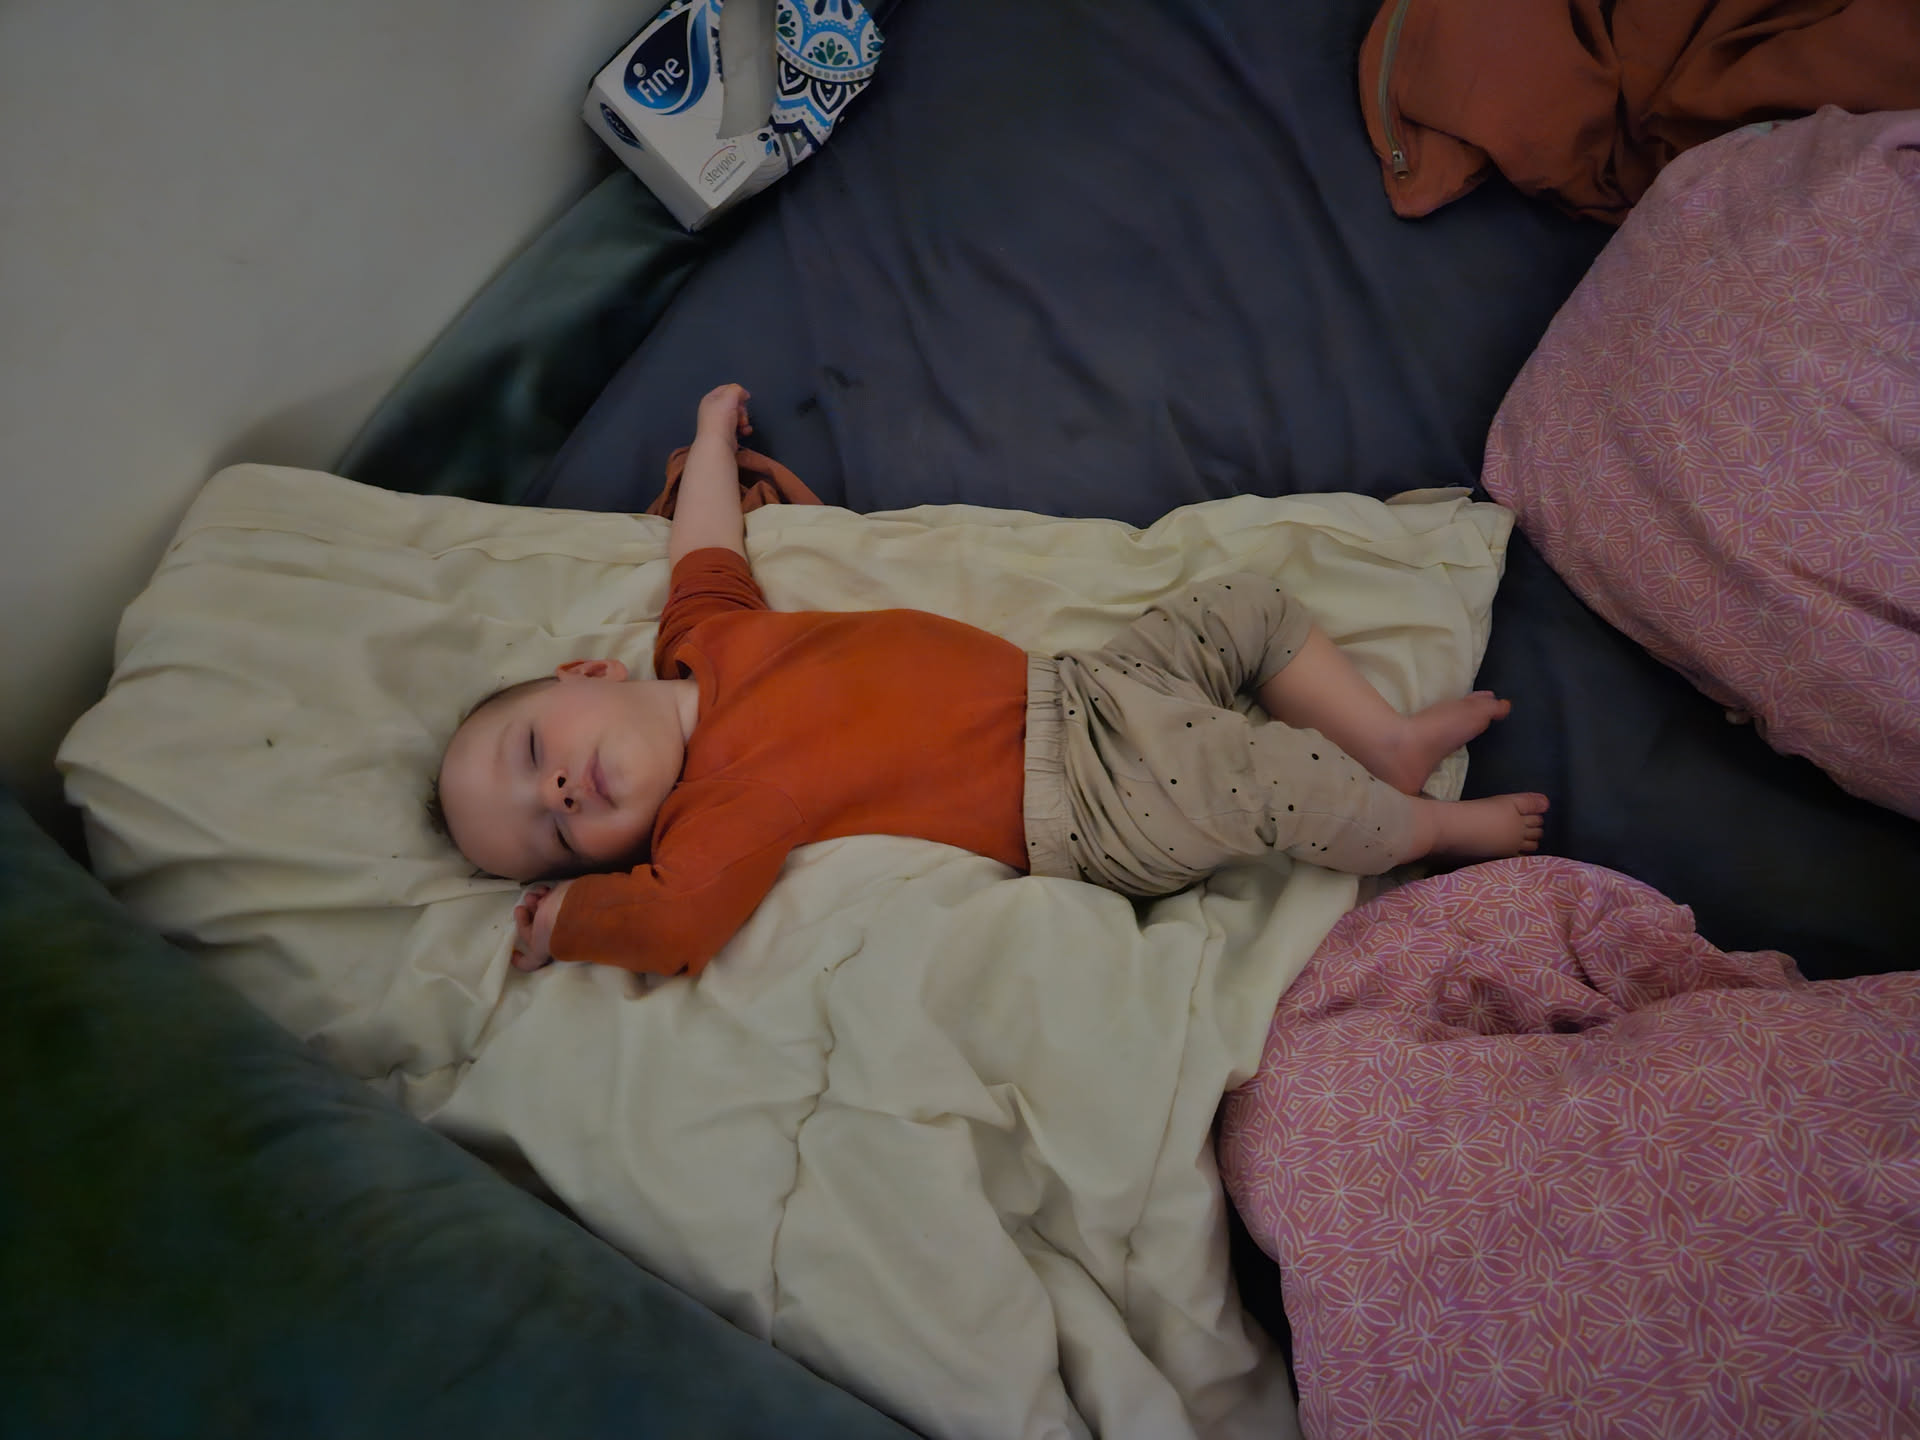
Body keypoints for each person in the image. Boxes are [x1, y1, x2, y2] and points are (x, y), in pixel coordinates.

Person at [435, 383, 1548, 974]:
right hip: (1085, 802)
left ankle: (1387, 739)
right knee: (1263, 776)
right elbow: (678, 922)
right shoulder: (721, 808)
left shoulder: (704, 637)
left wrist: (711, 438)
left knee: (1243, 605)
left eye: (532, 755)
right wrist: (570, 922)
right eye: (554, 835)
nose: (559, 794)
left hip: (1083, 691)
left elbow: (704, 548)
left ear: (586, 671)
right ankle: (1425, 828)